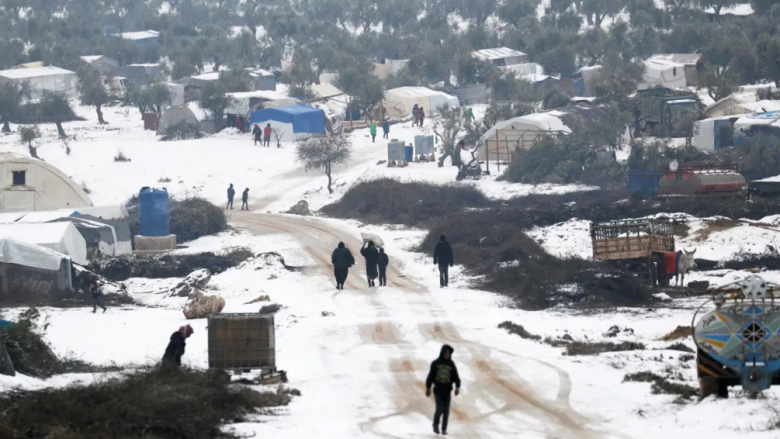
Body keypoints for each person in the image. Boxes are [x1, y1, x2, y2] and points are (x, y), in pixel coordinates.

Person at [425, 344, 461, 436]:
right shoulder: (436, 363)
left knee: (446, 411)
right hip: (438, 389)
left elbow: (456, 376)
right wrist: (428, 388)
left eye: (449, 353)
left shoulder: (451, 364)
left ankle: (444, 428)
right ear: (442, 353)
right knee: (439, 408)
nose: (447, 354)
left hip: (447, 390)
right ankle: (435, 425)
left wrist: (457, 386)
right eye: (446, 353)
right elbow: (431, 376)